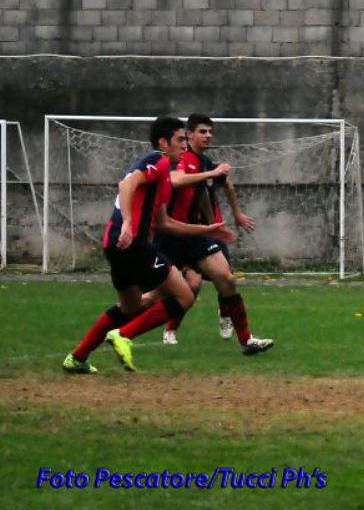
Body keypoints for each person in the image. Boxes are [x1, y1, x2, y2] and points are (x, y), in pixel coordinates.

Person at [62, 116, 236, 374]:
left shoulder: (163, 178)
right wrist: (128, 222)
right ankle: (123, 336)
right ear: (163, 143)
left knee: (130, 307)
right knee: (185, 296)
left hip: (115, 245)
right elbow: (126, 183)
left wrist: (207, 230)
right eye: (180, 140)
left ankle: (77, 357)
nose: (185, 145)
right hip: (134, 243)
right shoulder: (157, 160)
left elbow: (165, 223)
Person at [156, 113, 272, 356]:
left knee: (225, 278)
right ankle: (128, 330)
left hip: (195, 234)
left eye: (210, 132)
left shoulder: (203, 161)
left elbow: (205, 193)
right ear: (188, 134)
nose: (208, 136)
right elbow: (176, 181)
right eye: (202, 131)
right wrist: (211, 175)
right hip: (171, 234)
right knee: (179, 289)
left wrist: (216, 224)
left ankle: (245, 338)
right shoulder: (180, 158)